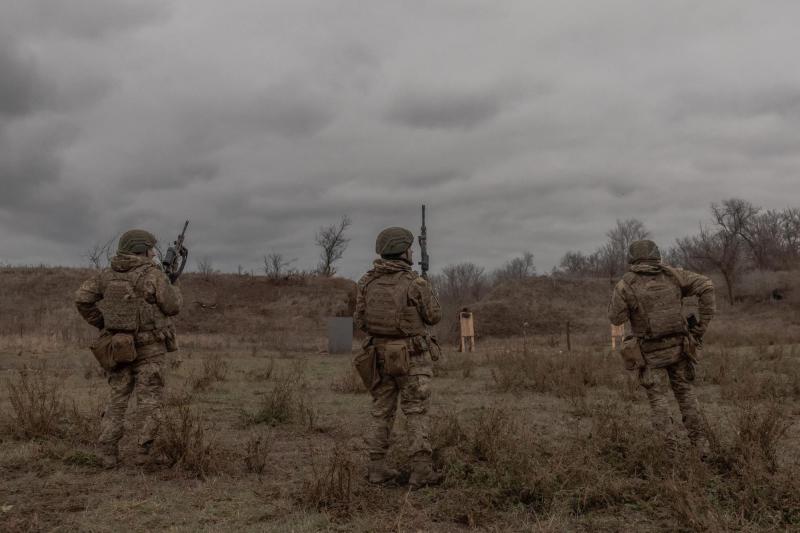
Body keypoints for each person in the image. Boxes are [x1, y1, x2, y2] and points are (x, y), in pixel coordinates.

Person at [75, 229, 183, 467]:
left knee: (116, 401)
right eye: (151, 248)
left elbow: (82, 299)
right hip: (149, 348)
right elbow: (173, 306)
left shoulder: (106, 274)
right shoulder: (153, 275)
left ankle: (107, 453)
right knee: (150, 402)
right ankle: (145, 454)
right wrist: (173, 283)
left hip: (118, 347)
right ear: (142, 249)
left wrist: (103, 323)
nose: (154, 252)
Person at [354, 227, 443, 488]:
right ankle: (421, 471)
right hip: (412, 357)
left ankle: (376, 469)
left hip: (378, 357)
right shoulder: (415, 283)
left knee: (381, 412)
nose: (412, 251)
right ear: (403, 251)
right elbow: (434, 316)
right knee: (416, 411)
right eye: (410, 248)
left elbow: (361, 320)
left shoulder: (366, 282)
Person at [609, 239, 715, 452]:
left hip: (649, 353)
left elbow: (616, 319)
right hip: (680, 348)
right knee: (686, 394)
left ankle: (669, 451)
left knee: (658, 400)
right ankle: (701, 446)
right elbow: (707, 286)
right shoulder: (674, 275)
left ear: (633, 258)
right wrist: (701, 326)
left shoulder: (625, 285)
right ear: (656, 255)